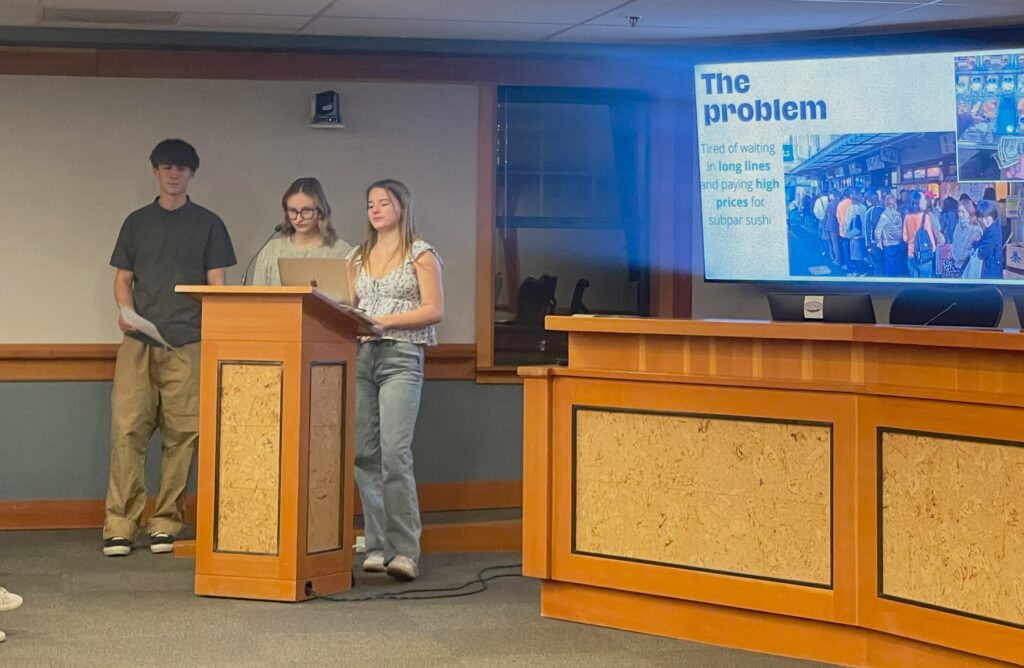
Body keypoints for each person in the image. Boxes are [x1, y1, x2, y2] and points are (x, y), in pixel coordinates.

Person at [103, 139, 236, 557]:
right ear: (155, 172)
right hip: (138, 341)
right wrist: (125, 311)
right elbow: (122, 279)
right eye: (166, 167)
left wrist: (216, 331)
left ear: (191, 174)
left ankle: (165, 521)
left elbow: (218, 286)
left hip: (189, 341)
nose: (174, 174)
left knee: (183, 435)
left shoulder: (209, 224)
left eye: (181, 168)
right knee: (127, 430)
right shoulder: (136, 222)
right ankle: (120, 524)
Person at [346, 179, 443, 581]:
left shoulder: (421, 253)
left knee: (394, 454)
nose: (375, 209)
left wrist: (386, 321)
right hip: (362, 356)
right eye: (370, 203)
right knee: (364, 454)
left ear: (401, 207)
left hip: (401, 355)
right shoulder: (356, 256)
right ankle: (376, 545)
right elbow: (348, 305)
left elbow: (434, 309)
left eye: (383, 202)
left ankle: (404, 551)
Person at [252, 178, 352, 287]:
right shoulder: (271, 251)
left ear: (321, 212)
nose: (299, 218)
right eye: (293, 211)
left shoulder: (342, 252)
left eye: (306, 211)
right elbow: (257, 296)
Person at [903, 190, 937, 278]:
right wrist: (933, 249)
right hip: (924, 255)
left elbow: (905, 238)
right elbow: (930, 238)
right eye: (923, 200)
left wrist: (912, 242)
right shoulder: (925, 217)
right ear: (917, 202)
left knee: (914, 283)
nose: (926, 201)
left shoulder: (907, 217)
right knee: (925, 283)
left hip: (911, 255)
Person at [875, 195, 905, 277]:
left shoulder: (884, 215)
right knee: (899, 268)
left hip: (888, 245)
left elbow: (878, 230)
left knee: (890, 270)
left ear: (886, 203)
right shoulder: (899, 214)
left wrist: (878, 241)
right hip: (899, 244)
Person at [975, 199, 1005, 279]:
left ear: (992, 215)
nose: (984, 221)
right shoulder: (994, 226)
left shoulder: (992, 232)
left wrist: (976, 242)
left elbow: (982, 253)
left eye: (986, 218)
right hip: (994, 267)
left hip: (990, 270)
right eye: (981, 218)